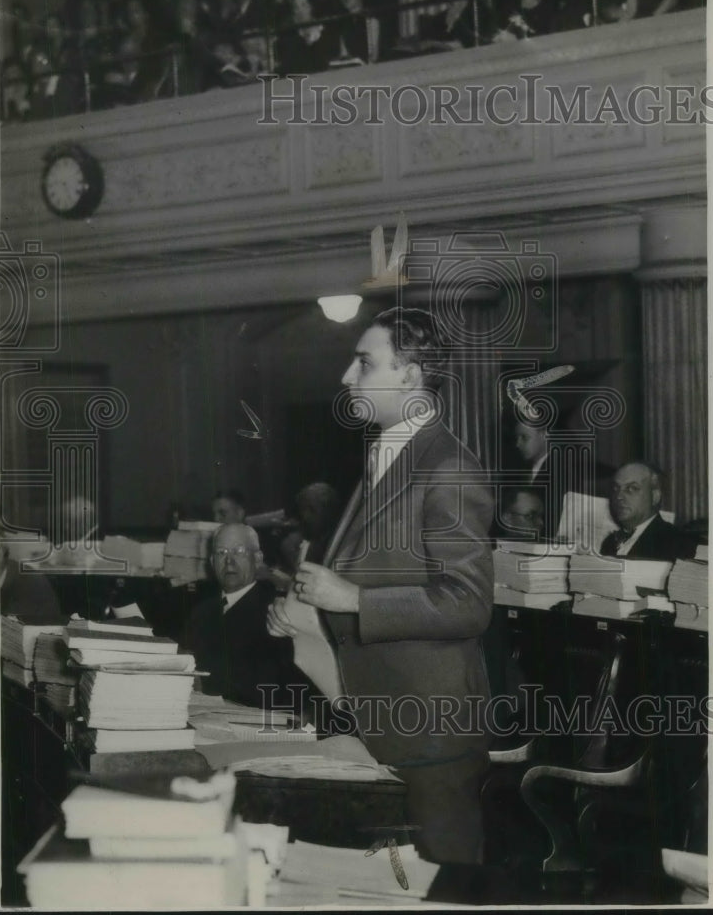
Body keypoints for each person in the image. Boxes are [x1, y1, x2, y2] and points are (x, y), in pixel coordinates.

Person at [267, 306, 495, 866]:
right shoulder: (387, 453)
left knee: (443, 886)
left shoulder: (449, 468)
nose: (347, 377)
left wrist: (350, 600)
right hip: (381, 717)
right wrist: (309, 611)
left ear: (410, 375)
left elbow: (468, 604)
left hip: (431, 731)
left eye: (364, 363)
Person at [182, 522, 313, 710]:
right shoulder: (201, 612)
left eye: (240, 552)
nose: (229, 561)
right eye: (221, 553)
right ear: (211, 562)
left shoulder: (277, 614)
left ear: (258, 559)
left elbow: (283, 693)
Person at [600, 461, 697, 561]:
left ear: (655, 497)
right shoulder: (609, 542)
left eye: (632, 488)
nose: (618, 496)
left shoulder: (677, 541)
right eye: (615, 488)